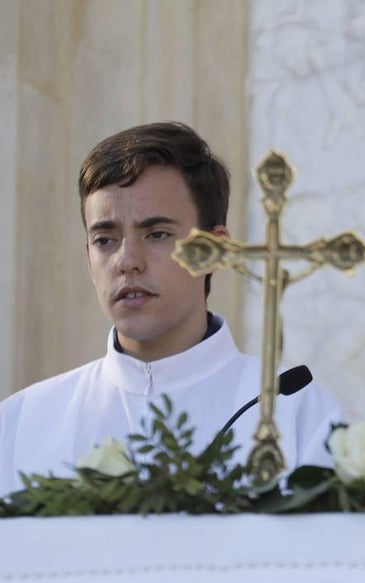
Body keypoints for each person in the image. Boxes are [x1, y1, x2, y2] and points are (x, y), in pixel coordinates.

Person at [0, 122, 344, 496]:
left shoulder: (296, 414)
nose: (127, 260)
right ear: (88, 258)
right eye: (105, 240)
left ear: (216, 251)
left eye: (157, 234)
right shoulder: (21, 425)